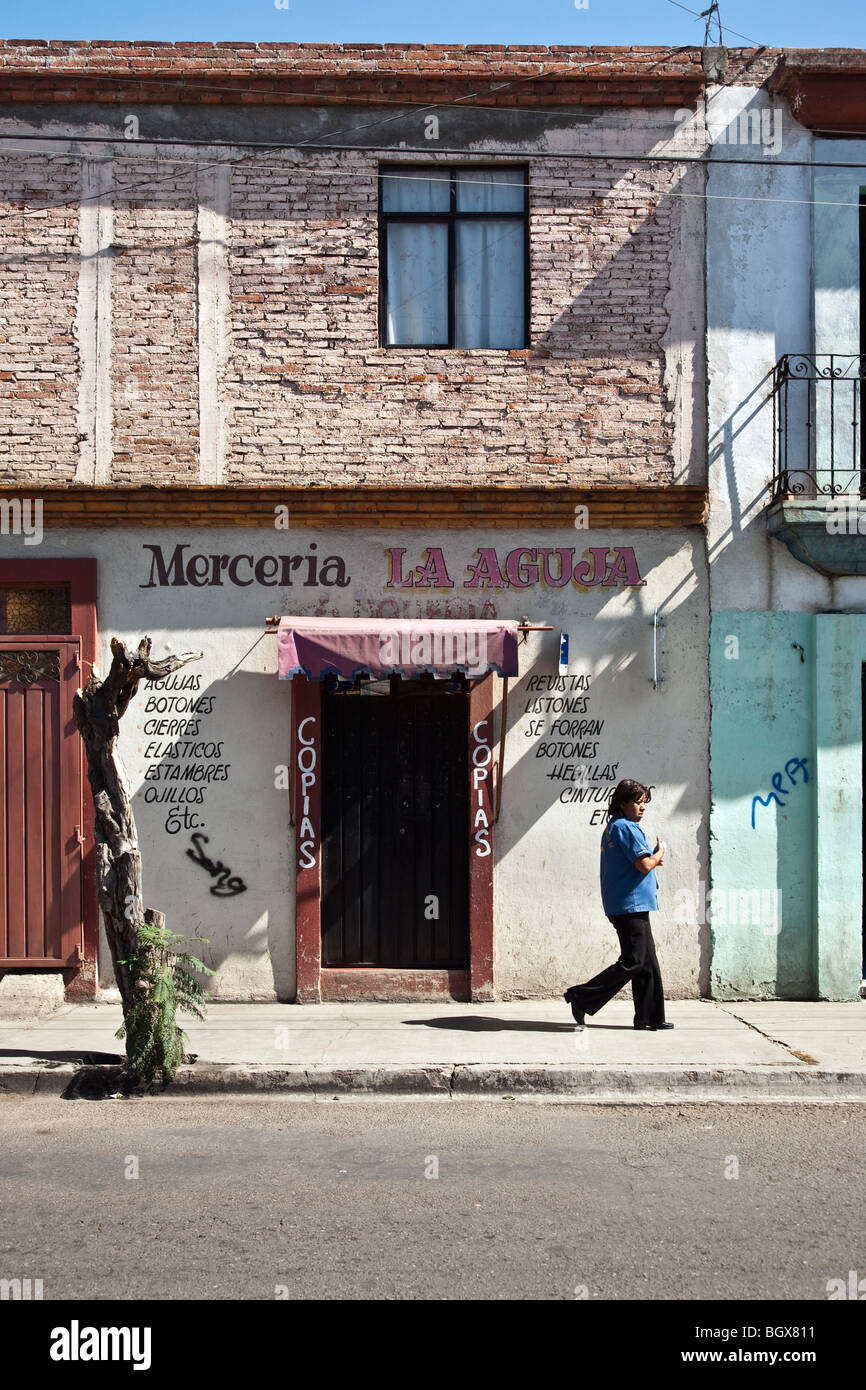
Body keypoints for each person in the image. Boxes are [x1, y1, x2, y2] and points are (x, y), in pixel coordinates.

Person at [563, 778, 673, 1031]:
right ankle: (582, 996)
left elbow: (639, 863)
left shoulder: (615, 826)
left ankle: (649, 1017)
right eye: (637, 803)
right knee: (634, 960)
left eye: (644, 803)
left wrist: (652, 860)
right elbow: (643, 864)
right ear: (622, 803)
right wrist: (659, 853)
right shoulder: (627, 828)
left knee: (647, 961)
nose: (642, 808)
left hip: (627, 904)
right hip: (630, 905)